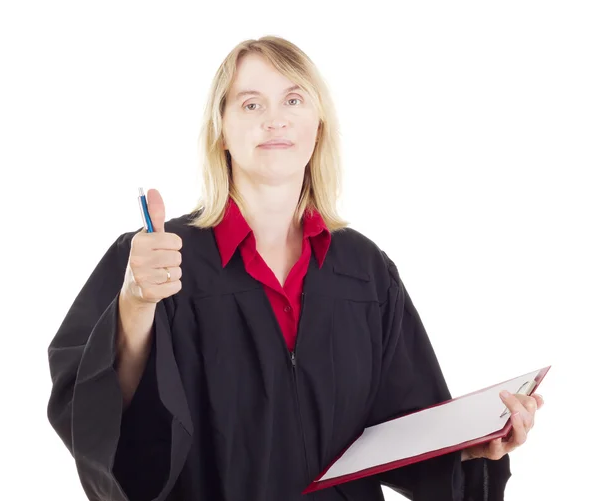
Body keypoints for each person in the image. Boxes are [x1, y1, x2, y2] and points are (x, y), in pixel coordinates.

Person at [46, 36, 544, 501]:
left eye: (293, 100)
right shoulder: (160, 257)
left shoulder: (365, 272)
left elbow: (402, 428)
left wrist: (474, 447)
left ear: (317, 126)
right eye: (250, 103)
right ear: (221, 130)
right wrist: (135, 304)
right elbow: (104, 429)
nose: (275, 120)